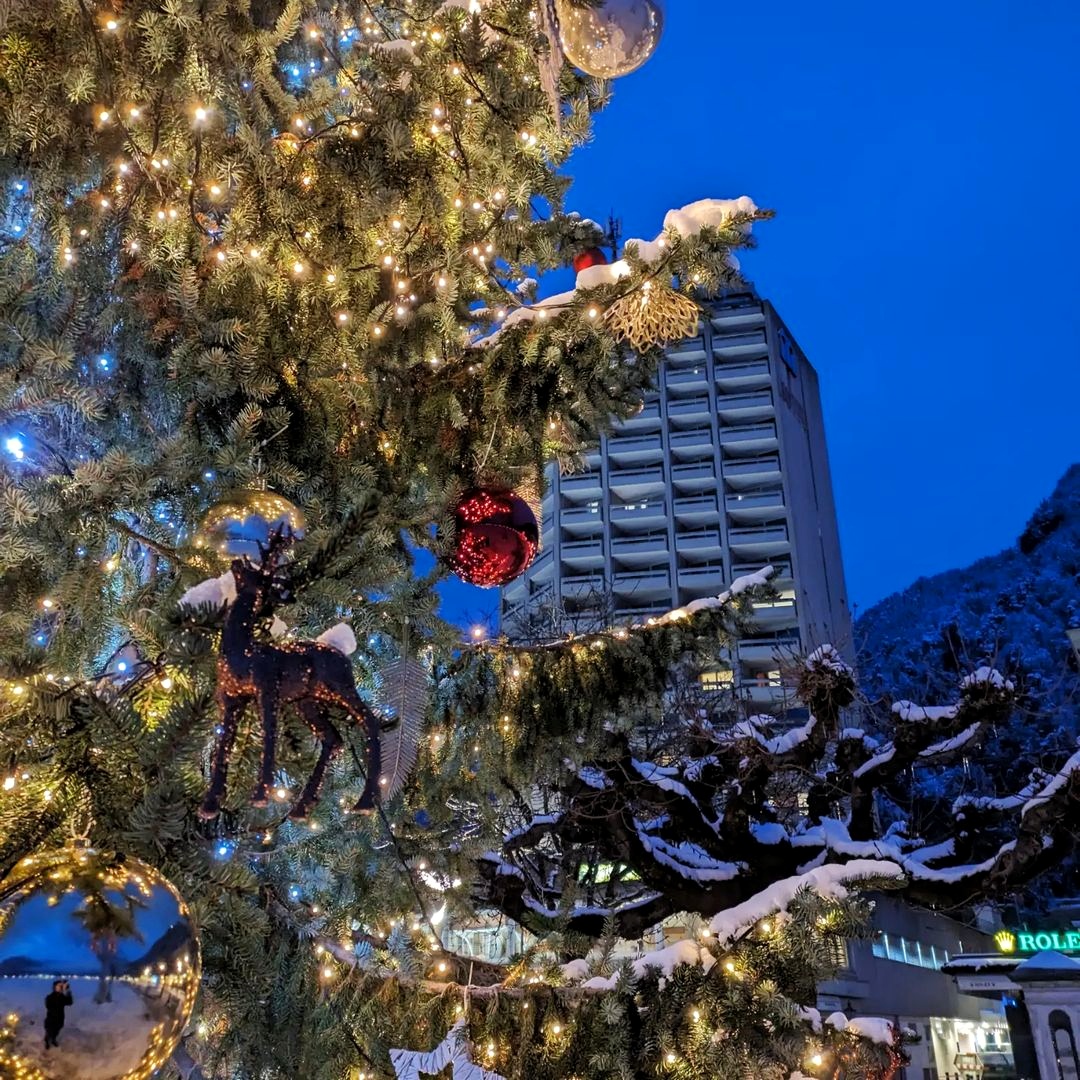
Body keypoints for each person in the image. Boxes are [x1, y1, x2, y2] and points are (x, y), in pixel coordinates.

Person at [43, 980, 73, 1049]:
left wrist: (67, 991)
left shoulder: (62, 996)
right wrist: (61, 995)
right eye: (59, 986)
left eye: (61, 986)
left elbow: (70, 1002)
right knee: (49, 1032)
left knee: (56, 1032)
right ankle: (47, 1041)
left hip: (60, 1019)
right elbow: (49, 1006)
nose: (60, 987)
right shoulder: (50, 997)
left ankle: (53, 1040)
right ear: (54, 987)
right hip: (51, 1019)